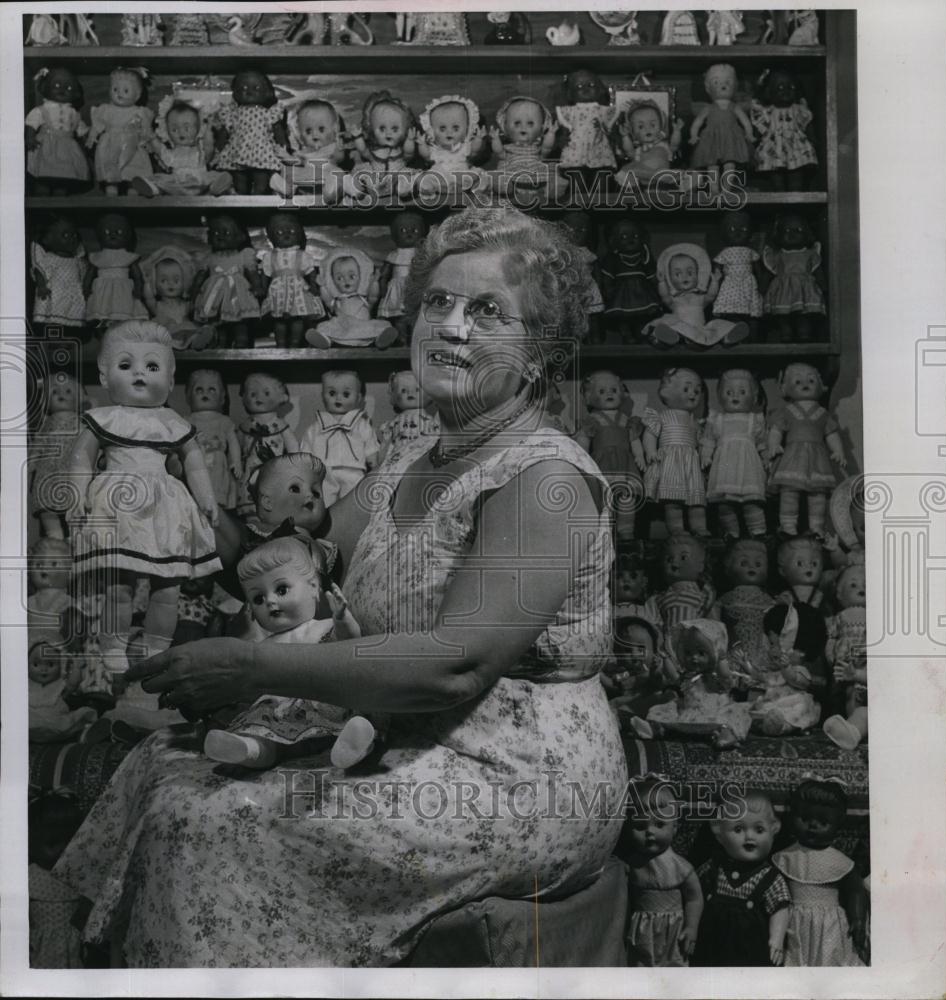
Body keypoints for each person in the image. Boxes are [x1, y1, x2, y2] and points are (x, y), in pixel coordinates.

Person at [53, 206, 628, 968]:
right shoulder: (418, 449)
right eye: (438, 302)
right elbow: (303, 549)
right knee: (162, 765)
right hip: (398, 733)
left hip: (516, 776)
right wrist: (174, 486)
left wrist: (253, 665)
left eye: (487, 311)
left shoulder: (545, 480)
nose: (451, 328)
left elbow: (456, 662)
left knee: (216, 823)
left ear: (539, 354)